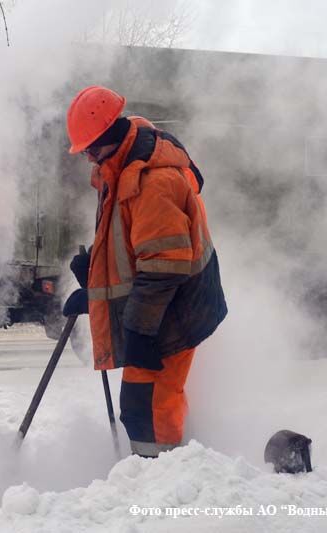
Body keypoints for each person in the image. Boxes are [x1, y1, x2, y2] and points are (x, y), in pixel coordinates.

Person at [63, 86, 227, 458]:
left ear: (111, 137)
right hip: (159, 312)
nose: (88, 158)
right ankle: (166, 466)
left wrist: (138, 329)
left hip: (172, 314)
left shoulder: (153, 182)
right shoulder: (120, 169)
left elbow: (163, 267)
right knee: (146, 402)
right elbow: (134, 248)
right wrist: (96, 281)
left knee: (147, 407)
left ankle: (161, 482)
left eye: (91, 148)